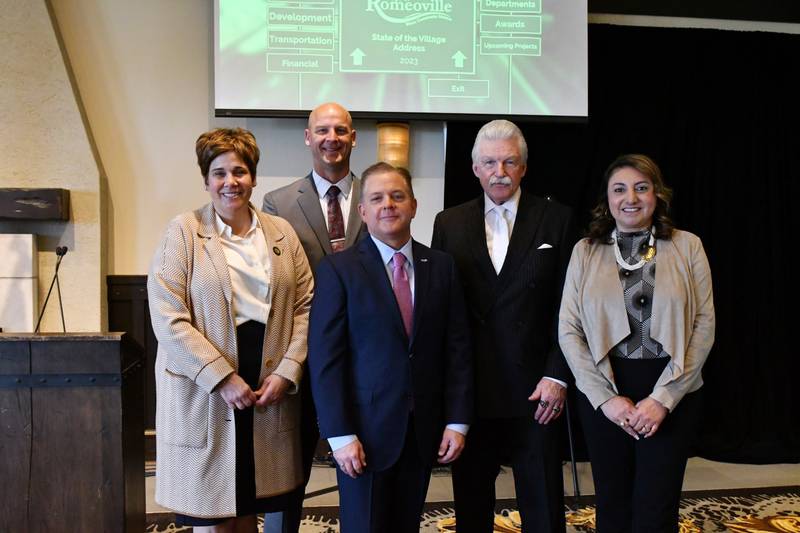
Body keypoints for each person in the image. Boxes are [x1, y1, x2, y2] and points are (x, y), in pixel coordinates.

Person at [147, 127, 313, 532]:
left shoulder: (281, 233)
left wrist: (288, 371)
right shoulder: (184, 231)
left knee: (248, 512)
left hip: (265, 392)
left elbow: (306, 304)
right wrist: (221, 378)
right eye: (219, 173)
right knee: (214, 516)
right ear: (206, 180)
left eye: (239, 171)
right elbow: (168, 315)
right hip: (206, 393)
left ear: (254, 178)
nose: (230, 182)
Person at [308, 162, 473, 532]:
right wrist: (339, 435)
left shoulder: (442, 266)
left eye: (398, 196)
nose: (389, 205)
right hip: (362, 435)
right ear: (363, 211)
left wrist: (457, 421)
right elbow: (326, 361)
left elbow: (457, 350)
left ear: (414, 205)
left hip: (423, 431)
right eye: (377, 198)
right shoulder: (339, 270)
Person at [431, 119, 576, 532]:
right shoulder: (449, 223)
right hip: (471, 391)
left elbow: (570, 308)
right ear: (474, 168)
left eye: (510, 162)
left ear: (524, 168)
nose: (500, 171)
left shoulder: (557, 220)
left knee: (544, 505)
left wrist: (557, 376)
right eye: (490, 162)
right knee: (471, 507)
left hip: (537, 389)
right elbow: (441, 312)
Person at [558, 154, 715, 532]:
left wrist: (663, 399)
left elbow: (704, 325)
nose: (631, 197)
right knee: (612, 504)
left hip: (671, 389)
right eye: (620, 189)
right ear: (607, 200)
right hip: (605, 391)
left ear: (656, 195)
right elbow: (569, 329)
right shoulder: (585, 250)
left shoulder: (688, 245)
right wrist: (606, 400)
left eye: (641, 187)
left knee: (656, 507)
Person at [261, 102, 366, 532]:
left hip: (364, 357)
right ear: (308, 137)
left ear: (353, 137)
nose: (332, 138)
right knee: (288, 477)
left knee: (362, 476)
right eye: (322, 130)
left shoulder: (375, 196)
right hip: (300, 354)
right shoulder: (278, 202)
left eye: (341, 130)